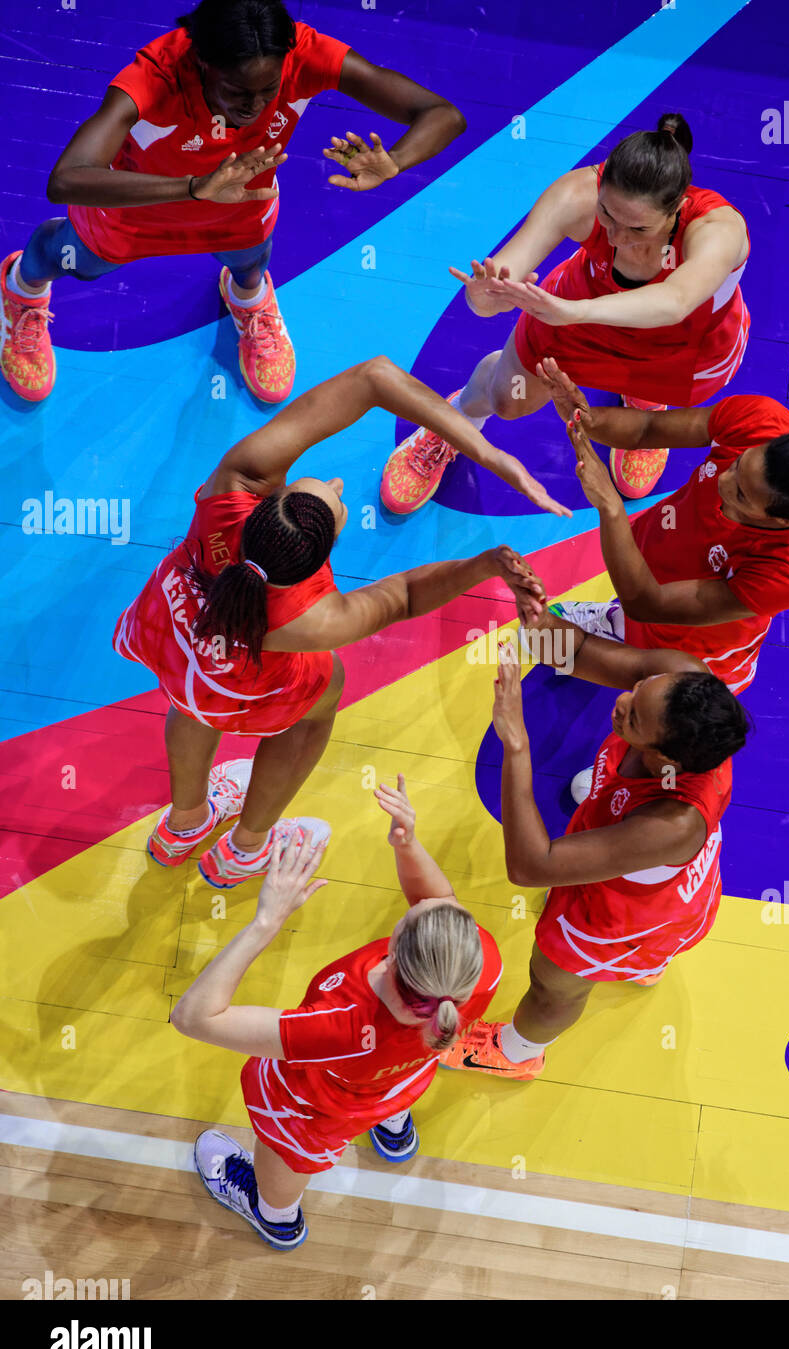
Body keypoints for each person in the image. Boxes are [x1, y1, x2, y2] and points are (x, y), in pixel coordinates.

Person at [113, 355, 548, 890]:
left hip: (174, 636)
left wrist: (481, 447)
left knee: (191, 704)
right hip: (235, 675)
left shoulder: (235, 483)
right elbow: (405, 595)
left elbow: (371, 378)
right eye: (337, 500)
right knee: (320, 699)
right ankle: (246, 850)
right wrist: (484, 562)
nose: (339, 484)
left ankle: (184, 824)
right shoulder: (311, 618)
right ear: (318, 559)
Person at [1, 0, 467, 404]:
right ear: (203, 62)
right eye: (238, 92)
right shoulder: (156, 75)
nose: (255, 107)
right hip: (132, 211)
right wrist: (193, 188)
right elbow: (66, 180)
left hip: (242, 203)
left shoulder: (305, 56)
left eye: (268, 91)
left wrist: (397, 162)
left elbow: (443, 114)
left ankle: (249, 301)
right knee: (72, 259)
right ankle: (21, 290)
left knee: (250, 261)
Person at [172, 775, 503, 1249]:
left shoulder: (341, 1025)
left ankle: (276, 1216)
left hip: (320, 1105)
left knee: (286, 1154)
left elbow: (195, 1018)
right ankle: (390, 1127)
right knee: (395, 1085)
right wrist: (407, 846)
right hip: (399, 1078)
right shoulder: (477, 965)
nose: (429, 900)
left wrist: (266, 922)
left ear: (393, 952)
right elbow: (440, 903)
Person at [380, 112, 751, 514]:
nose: (617, 238)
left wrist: (574, 312)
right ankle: (457, 419)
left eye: (639, 230)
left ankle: (645, 400)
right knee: (509, 401)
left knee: (651, 399)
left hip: (681, 346)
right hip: (576, 318)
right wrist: (486, 298)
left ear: (677, 207)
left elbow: (676, 300)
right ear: (601, 184)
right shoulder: (577, 194)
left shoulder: (718, 228)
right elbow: (499, 280)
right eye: (608, 215)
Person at [439, 625, 748, 1080]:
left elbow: (531, 866)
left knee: (552, 985)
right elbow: (582, 650)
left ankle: (519, 1052)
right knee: (642, 930)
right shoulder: (683, 686)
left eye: (636, 719)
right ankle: (647, 964)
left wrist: (516, 742)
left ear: (668, 761)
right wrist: (533, 616)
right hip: (659, 875)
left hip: (618, 916)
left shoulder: (672, 823)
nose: (623, 700)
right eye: (640, 687)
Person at [536, 363, 789, 695]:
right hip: (658, 558)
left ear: (783, 520)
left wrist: (611, 509)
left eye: (741, 494)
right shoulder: (760, 421)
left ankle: (643, 766)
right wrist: (586, 419)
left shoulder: (788, 573)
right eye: (738, 463)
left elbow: (648, 604)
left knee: (655, 708)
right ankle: (617, 626)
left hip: (697, 644)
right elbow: (649, 428)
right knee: (627, 620)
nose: (723, 481)